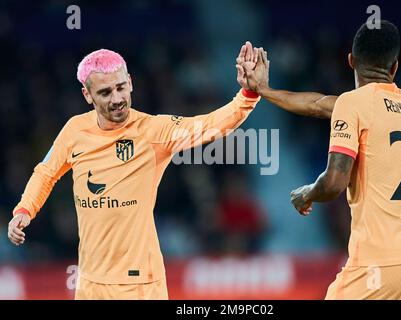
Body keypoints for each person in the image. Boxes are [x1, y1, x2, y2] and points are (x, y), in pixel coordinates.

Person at [7, 43, 261, 299]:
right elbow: (46, 172)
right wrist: (25, 209)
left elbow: (209, 126)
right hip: (90, 281)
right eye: (105, 93)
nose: (117, 99)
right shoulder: (75, 130)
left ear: (130, 81)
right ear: (87, 95)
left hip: (139, 284)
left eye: (120, 87)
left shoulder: (152, 132)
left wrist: (247, 95)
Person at [240, 21, 401, 299]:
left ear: (350, 61)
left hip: (380, 263)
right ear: (394, 68)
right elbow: (318, 104)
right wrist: (265, 90)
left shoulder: (353, 104)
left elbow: (334, 182)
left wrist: (306, 194)